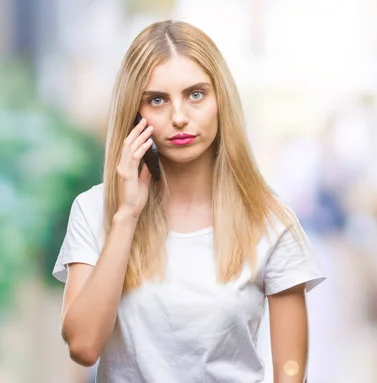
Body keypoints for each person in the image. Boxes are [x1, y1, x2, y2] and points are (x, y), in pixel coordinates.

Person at [52, 20, 325, 383]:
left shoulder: (271, 221)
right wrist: (126, 216)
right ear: (135, 113)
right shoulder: (94, 210)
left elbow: (291, 374)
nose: (179, 117)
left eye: (195, 94)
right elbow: (83, 346)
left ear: (220, 100)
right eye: (157, 100)